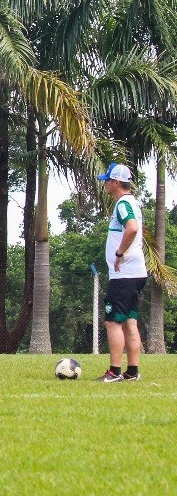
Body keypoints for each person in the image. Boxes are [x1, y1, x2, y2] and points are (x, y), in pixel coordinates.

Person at [97, 163, 147, 382]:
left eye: (107, 180)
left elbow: (132, 228)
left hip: (124, 273)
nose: (105, 183)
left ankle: (115, 371)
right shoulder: (132, 202)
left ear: (116, 182)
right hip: (136, 272)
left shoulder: (123, 204)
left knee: (113, 321)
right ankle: (132, 371)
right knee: (129, 321)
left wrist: (118, 254)